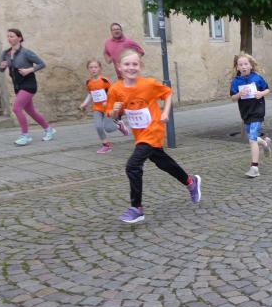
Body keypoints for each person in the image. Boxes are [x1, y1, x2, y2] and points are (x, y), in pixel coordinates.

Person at [107, 49, 201, 223]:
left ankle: (137, 208)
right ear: (119, 67)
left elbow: (167, 93)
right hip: (139, 133)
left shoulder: (148, 84)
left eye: (135, 64)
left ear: (140, 66)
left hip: (154, 129)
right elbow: (112, 114)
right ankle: (190, 181)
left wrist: (165, 112)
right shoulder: (115, 89)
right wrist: (115, 111)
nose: (131, 67)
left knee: (133, 165)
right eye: (127, 64)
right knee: (163, 162)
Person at [0, 28, 56, 146]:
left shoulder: (26, 52)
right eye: (8, 36)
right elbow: (1, 69)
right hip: (17, 85)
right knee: (30, 111)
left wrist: (29, 70)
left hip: (29, 84)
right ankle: (48, 129)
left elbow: (41, 64)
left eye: (12, 36)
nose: (9, 38)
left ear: (19, 38)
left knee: (16, 108)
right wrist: (2, 66)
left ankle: (25, 136)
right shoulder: (6, 53)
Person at [230, 53, 272, 178]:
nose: (243, 66)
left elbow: (267, 89)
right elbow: (233, 98)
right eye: (240, 64)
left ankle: (254, 168)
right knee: (251, 137)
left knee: (252, 139)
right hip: (246, 113)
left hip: (257, 111)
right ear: (237, 67)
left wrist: (261, 93)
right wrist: (239, 94)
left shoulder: (257, 78)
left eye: (246, 64)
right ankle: (264, 143)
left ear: (251, 65)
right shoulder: (236, 81)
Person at [79, 59, 129, 153]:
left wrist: (108, 102)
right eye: (91, 67)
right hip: (97, 108)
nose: (93, 69)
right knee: (98, 126)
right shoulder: (88, 82)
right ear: (88, 69)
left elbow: (113, 93)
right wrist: (85, 104)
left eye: (95, 67)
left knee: (109, 129)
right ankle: (106, 145)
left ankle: (119, 125)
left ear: (100, 68)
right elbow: (90, 94)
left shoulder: (104, 81)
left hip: (107, 108)